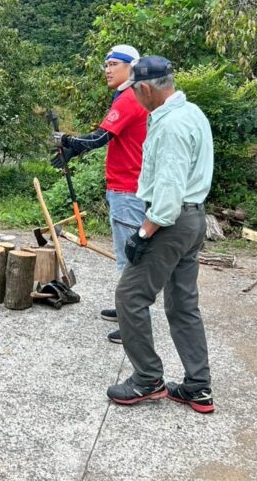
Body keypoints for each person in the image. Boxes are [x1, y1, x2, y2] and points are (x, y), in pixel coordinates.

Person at [106, 55, 215, 413]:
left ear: (146, 89)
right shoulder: (192, 113)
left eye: (135, 91)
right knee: (183, 304)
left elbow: (168, 192)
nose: (135, 98)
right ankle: (198, 386)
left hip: (170, 222)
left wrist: (143, 232)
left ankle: (147, 378)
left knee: (129, 296)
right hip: (194, 218)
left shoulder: (169, 126)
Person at [52, 44, 148, 344]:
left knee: (129, 259)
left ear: (131, 67)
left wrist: (68, 141)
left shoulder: (130, 98)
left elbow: (101, 137)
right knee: (127, 255)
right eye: (105, 64)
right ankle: (126, 310)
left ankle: (134, 326)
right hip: (128, 186)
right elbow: (111, 137)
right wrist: (73, 149)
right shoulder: (130, 95)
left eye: (113, 64)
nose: (107, 69)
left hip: (128, 189)